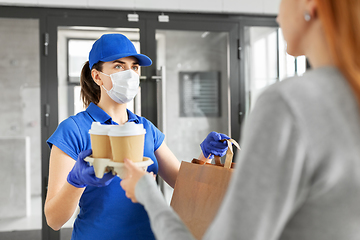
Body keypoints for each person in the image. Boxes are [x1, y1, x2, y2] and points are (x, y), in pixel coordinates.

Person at [120, 0, 360, 239]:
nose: (277, 17)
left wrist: (148, 193)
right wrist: (203, 159)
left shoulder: (288, 104)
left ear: (310, 4)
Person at [44, 33, 220, 240]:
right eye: (118, 66)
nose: (129, 73)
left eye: (134, 67)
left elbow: (183, 186)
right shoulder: (73, 129)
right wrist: (76, 181)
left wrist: (205, 156)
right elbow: (54, 221)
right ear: (97, 76)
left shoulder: (145, 128)